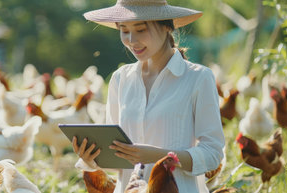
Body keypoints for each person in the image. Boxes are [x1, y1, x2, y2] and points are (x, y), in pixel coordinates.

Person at [71, 0, 225, 192]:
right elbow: (117, 157)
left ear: (167, 27)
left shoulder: (198, 78)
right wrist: (92, 158)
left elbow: (212, 154)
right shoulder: (121, 79)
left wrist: (160, 157)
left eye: (141, 29)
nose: (131, 40)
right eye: (124, 30)